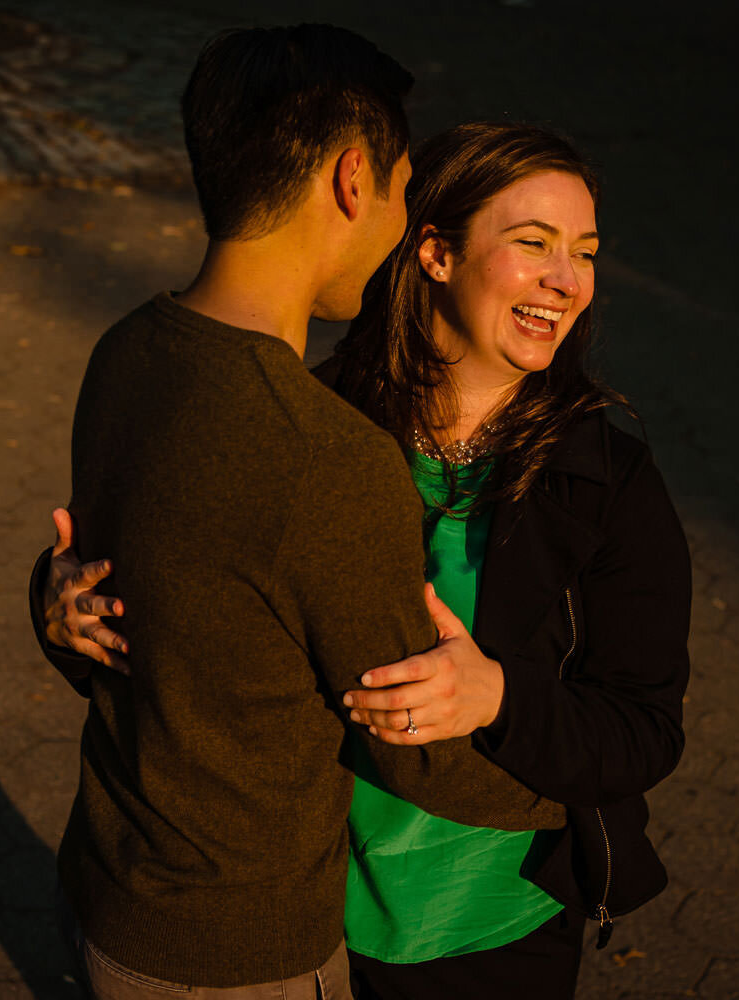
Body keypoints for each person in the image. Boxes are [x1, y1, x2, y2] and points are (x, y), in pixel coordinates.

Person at [35, 121, 691, 999]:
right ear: (435, 253)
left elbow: (644, 728)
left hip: (498, 932)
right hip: (309, 924)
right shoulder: (313, 429)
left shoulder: (607, 481)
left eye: (585, 251)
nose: (567, 282)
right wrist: (63, 612)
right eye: (533, 245)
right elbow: (194, 631)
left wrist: (503, 697)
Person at [41, 26, 517, 999]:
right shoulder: (327, 458)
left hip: (105, 892)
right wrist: (587, 787)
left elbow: (110, 605)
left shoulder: (126, 352)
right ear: (352, 180)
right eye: (400, 187)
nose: (400, 218)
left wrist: (45, 607)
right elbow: (409, 741)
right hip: (235, 955)